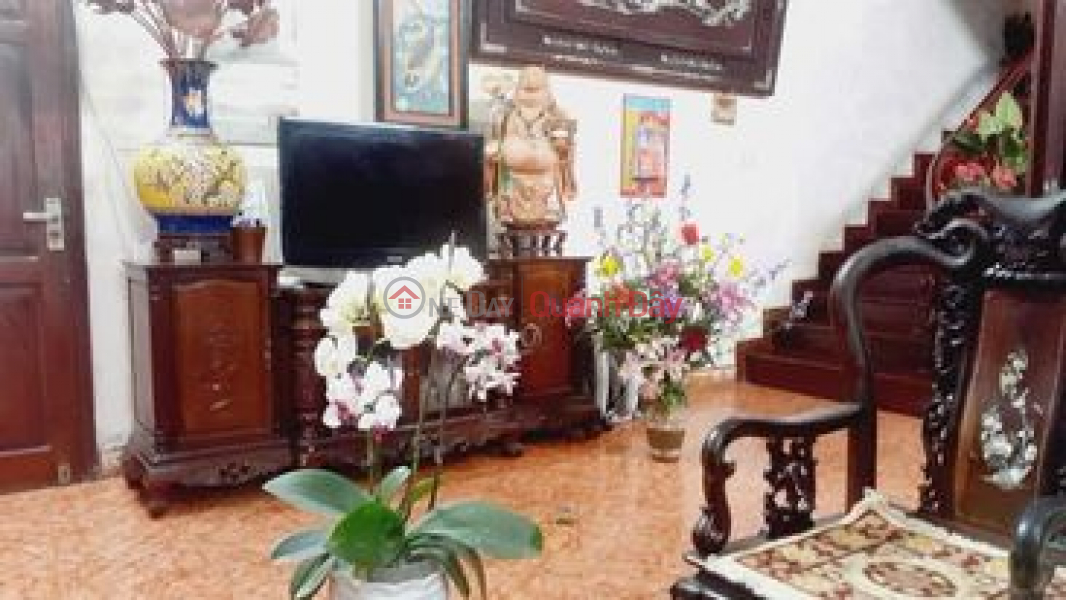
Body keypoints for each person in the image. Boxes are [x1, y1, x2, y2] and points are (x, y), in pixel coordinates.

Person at [485, 66, 577, 229]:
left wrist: (563, 149)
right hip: (511, 181)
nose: (530, 95)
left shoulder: (558, 116)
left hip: (546, 181)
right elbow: (494, 146)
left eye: (536, 90)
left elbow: (566, 151)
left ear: (547, 91)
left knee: (550, 210)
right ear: (517, 90)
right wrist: (493, 155)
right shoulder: (505, 117)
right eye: (526, 90)